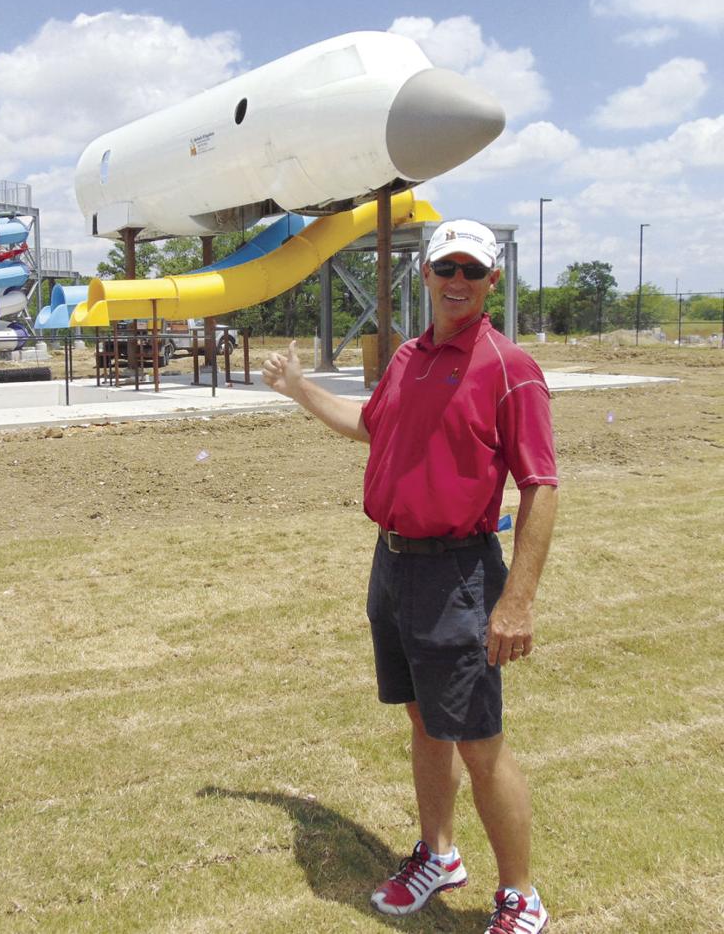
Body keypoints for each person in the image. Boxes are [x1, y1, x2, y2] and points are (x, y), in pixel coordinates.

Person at [262, 219, 558, 934]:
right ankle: (438, 853)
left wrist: (516, 602)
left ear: (492, 281)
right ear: (424, 275)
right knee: (425, 722)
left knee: (478, 741)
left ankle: (521, 895)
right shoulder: (408, 357)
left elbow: (541, 485)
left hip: (458, 573)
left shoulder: (508, 365)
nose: (457, 281)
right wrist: (301, 390)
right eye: (445, 268)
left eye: (472, 270)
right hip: (392, 565)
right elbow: (371, 427)